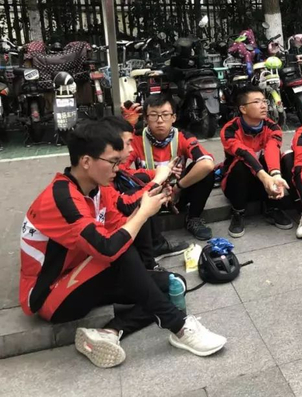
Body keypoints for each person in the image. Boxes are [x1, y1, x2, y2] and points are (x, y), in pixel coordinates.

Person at [19, 121, 226, 369]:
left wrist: (156, 190)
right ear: (86, 161)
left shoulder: (97, 188)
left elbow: (126, 207)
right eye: (113, 162)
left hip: (86, 274)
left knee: (173, 285)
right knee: (121, 250)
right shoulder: (62, 197)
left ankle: (111, 331)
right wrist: (144, 212)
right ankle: (180, 328)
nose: (118, 168)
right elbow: (108, 247)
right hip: (51, 296)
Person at [122, 94, 216, 241]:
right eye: (154, 115)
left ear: (174, 117)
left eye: (165, 115)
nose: (160, 120)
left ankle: (193, 218)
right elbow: (119, 170)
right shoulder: (136, 139)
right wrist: (157, 174)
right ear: (145, 118)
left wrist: (178, 187)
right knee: (124, 182)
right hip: (148, 196)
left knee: (206, 172)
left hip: (176, 195)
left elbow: (207, 164)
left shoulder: (183, 136)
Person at [101, 115, 189, 269]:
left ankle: (155, 246)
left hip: (114, 235)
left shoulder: (109, 167)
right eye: (128, 143)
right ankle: (148, 263)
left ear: (174, 116)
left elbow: (129, 174)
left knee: (143, 189)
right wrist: (157, 181)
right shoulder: (101, 177)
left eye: (165, 114)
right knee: (141, 198)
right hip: (110, 242)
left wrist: (161, 172)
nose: (131, 149)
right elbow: (127, 204)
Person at [220, 86, 293, 238]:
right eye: (257, 102)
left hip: (265, 184)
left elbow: (272, 148)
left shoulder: (272, 127)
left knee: (280, 159)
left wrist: (275, 175)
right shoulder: (229, 130)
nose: (264, 106)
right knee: (240, 164)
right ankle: (238, 212)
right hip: (237, 185)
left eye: (265, 101)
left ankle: (273, 208)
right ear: (243, 109)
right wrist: (265, 177)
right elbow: (245, 153)